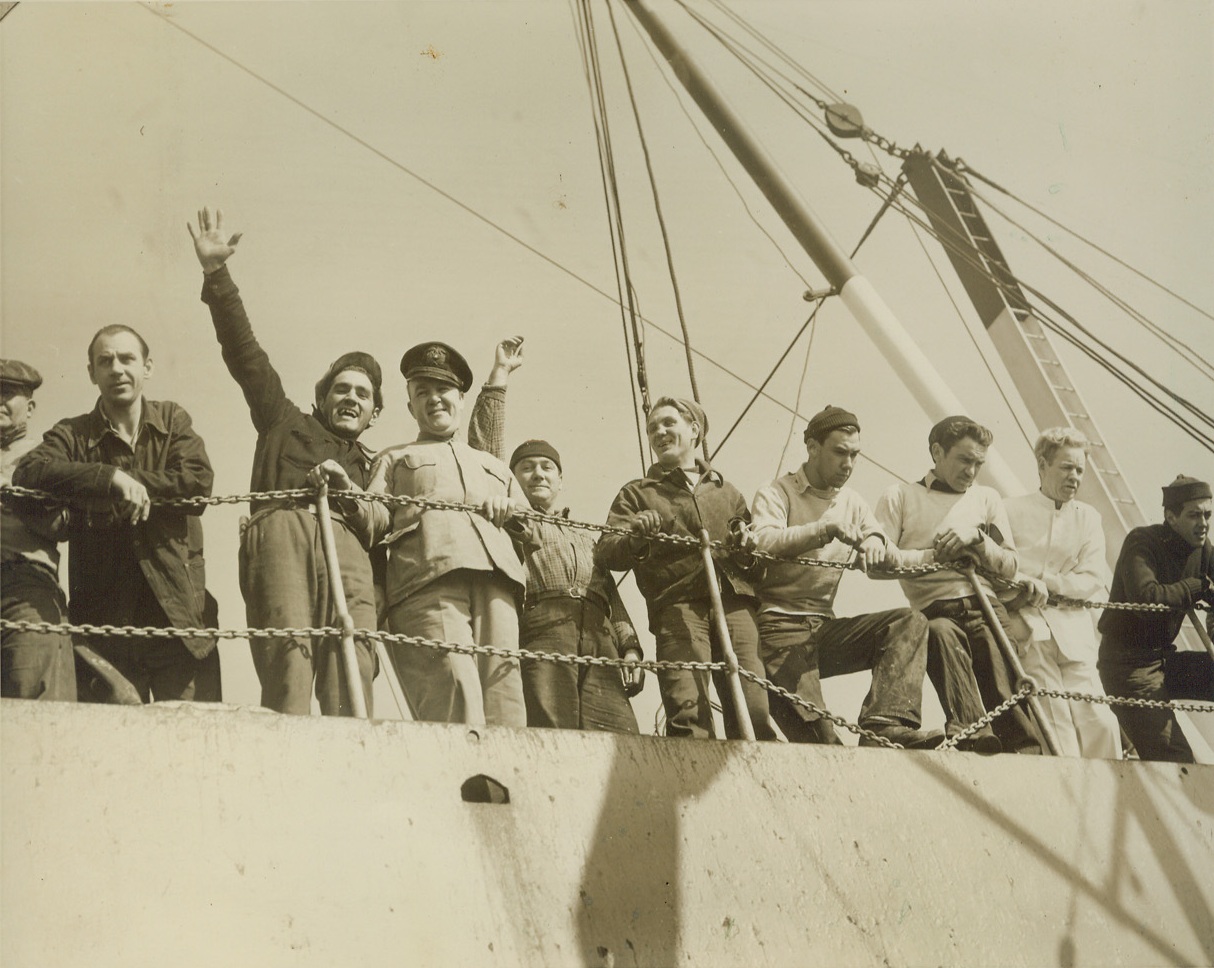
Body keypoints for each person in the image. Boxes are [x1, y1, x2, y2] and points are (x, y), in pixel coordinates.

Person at [189, 207, 518, 716]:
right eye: (340, 389)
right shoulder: (284, 421)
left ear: (376, 412)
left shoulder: (380, 463)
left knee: (355, 667)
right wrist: (217, 273)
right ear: (320, 399)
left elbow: (468, 457)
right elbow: (245, 352)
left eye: (362, 394)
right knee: (288, 661)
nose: (350, 398)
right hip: (285, 535)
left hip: (353, 555)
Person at [13, 328, 219, 703]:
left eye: (127, 359)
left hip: (177, 616)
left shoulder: (173, 421)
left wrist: (129, 484)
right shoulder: (72, 434)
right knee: (110, 748)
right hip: (105, 625)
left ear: (148, 367)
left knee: (190, 744)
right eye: (105, 361)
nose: (117, 369)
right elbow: (29, 472)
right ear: (91, 372)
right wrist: (109, 478)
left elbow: (197, 483)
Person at [354, 342, 533, 727]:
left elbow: (532, 526)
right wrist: (346, 494)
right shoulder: (393, 458)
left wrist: (510, 511)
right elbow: (372, 517)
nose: (434, 399)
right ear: (410, 407)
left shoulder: (493, 465)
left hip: (497, 585)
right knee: (454, 700)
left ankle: (509, 786)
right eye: (423, 393)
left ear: (461, 399)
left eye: (443, 390)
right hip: (427, 584)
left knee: (507, 705)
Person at [750, 406, 943, 750]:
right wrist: (824, 530)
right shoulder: (776, 492)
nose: (848, 464)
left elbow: (889, 555)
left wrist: (880, 542)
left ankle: (886, 723)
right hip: (778, 633)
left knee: (909, 622)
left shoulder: (852, 501)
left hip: (824, 631)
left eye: (855, 455)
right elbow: (765, 541)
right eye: (840, 453)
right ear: (811, 447)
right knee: (822, 745)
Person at [595, 396, 776, 741]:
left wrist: (748, 551)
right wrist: (636, 538)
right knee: (688, 710)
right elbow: (606, 553)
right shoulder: (636, 494)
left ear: (694, 430)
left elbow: (758, 568)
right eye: (652, 428)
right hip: (677, 607)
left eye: (668, 423)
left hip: (735, 604)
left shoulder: (728, 492)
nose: (659, 432)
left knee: (753, 709)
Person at [875, 416, 1041, 754]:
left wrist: (978, 541)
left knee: (1007, 690)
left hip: (985, 606)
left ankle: (1027, 753)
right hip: (934, 611)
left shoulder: (986, 499)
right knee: (939, 634)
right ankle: (975, 740)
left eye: (978, 463)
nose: (971, 471)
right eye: (964, 460)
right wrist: (933, 556)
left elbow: (1010, 567)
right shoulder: (900, 497)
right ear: (937, 451)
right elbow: (878, 566)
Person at [509, 438, 642, 733]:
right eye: (526, 468)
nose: (538, 474)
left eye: (547, 467)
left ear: (560, 481)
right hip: (544, 627)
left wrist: (630, 648)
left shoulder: (585, 535)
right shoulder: (513, 524)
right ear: (512, 480)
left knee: (619, 734)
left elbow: (611, 595)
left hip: (599, 632)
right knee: (553, 728)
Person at [1003, 428, 1121, 758]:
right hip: (1031, 630)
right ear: (1043, 465)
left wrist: (1044, 579)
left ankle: (1107, 798)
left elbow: (1091, 579)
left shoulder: (1088, 518)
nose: (1075, 477)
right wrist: (1048, 579)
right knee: (1057, 727)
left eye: (1080, 470)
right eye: (1067, 467)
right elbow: (1001, 569)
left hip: (1074, 634)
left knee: (1102, 723)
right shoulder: (1009, 510)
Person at [1097, 474, 1214, 762]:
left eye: (1208, 514)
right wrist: (1196, 586)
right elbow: (1146, 598)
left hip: (1164, 661)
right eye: (1194, 515)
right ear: (1171, 517)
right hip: (1128, 670)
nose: (1204, 523)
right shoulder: (1142, 541)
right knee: (1177, 761)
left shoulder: (1202, 547)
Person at [1, 360, 76, 701]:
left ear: (29, 407)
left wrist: (10, 493)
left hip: (24, 584)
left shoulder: (44, 457)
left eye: (7, 394)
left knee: (33, 690)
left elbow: (62, 524)